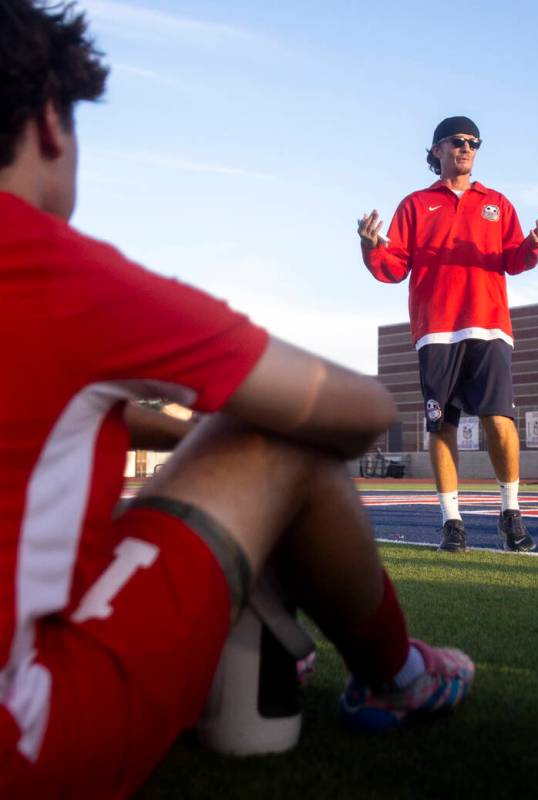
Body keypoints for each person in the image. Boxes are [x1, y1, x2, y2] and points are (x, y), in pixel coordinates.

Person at [0, 3, 473, 797]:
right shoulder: (55, 267)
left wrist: (155, 413)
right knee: (281, 434)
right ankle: (393, 671)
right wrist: (224, 416)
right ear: (52, 120)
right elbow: (357, 409)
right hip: (29, 740)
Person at [358, 116, 538, 553]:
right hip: (436, 331)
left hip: (489, 325)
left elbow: (516, 260)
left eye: (474, 142)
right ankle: (452, 521)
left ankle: (511, 513)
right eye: (458, 141)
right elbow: (393, 268)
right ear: (437, 149)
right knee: (441, 425)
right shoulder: (414, 205)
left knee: (499, 421)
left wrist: (534, 244)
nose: (467, 148)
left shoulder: (497, 203)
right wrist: (372, 247)